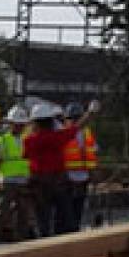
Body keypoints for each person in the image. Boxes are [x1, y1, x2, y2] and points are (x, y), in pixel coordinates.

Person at [23, 100, 98, 236]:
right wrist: (90, 113)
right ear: (50, 121)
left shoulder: (29, 141)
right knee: (66, 219)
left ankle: (43, 246)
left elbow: (25, 155)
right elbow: (77, 127)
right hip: (59, 183)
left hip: (38, 184)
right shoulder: (58, 137)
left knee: (42, 220)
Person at [0, 106, 40, 242]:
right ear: (10, 124)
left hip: (24, 182)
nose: (20, 127)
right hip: (7, 182)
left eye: (22, 124)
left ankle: (20, 240)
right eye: (17, 124)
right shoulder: (1, 141)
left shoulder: (26, 140)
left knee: (23, 214)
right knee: (1, 213)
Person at [59, 104, 98, 233]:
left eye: (77, 118)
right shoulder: (63, 134)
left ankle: (74, 232)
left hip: (83, 178)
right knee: (66, 211)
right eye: (72, 118)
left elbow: (92, 154)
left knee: (78, 209)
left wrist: (93, 175)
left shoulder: (87, 134)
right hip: (68, 178)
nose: (75, 121)